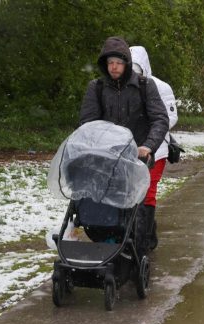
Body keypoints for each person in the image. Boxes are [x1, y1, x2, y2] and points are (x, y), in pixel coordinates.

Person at [79, 36, 169, 258]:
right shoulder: (97, 88)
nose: (114, 67)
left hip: (137, 156)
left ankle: (142, 242)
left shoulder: (145, 86)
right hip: (107, 156)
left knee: (139, 200)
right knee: (105, 200)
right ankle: (109, 240)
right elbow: (87, 123)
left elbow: (160, 119)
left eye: (118, 62)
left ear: (127, 63)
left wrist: (148, 146)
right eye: (110, 63)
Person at [130, 45, 178, 250]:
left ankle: (145, 238)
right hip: (129, 148)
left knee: (147, 192)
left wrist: (151, 133)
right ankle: (137, 231)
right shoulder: (123, 87)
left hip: (156, 150)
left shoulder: (160, 87)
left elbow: (170, 117)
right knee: (131, 193)